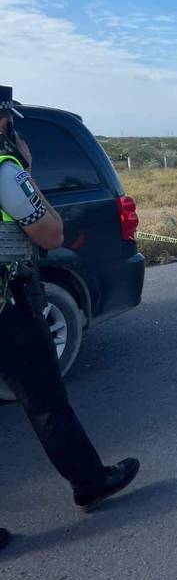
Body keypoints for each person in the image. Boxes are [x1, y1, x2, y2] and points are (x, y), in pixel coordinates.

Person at [0, 86, 139, 552]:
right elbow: (50, 230)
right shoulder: (5, 171)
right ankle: (90, 480)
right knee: (45, 399)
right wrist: (26, 170)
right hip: (8, 302)